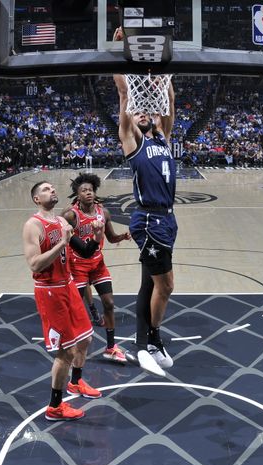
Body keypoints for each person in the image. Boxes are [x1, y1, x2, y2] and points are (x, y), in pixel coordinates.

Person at [113, 28, 177, 377]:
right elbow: (124, 92)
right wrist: (119, 48)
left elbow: (171, 100)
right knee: (165, 285)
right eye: (135, 114)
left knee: (149, 284)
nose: (141, 113)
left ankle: (148, 344)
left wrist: (164, 74)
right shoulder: (132, 143)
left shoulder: (163, 139)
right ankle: (149, 342)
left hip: (167, 219)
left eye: (144, 112)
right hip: (148, 219)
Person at [23, 181, 105, 421]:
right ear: (37, 198)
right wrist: (62, 242)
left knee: (86, 338)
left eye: (53, 188)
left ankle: (76, 382)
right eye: (46, 189)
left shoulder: (61, 222)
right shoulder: (33, 225)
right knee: (65, 353)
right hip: (49, 291)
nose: (53, 190)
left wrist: (97, 236)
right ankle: (55, 407)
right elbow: (34, 264)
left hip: (68, 285)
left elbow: (86, 251)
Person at [62, 173, 132, 364]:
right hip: (77, 265)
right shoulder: (70, 215)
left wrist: (123, 237)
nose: (88, 193)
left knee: (109, 303)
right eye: (83, 190)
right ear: (77, 194)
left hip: (97, 264)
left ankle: (110, 347)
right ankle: (70, 343)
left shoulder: (104, 213)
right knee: (74, 309)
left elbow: (111, 238)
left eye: (90, 190)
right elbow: (76, 246)